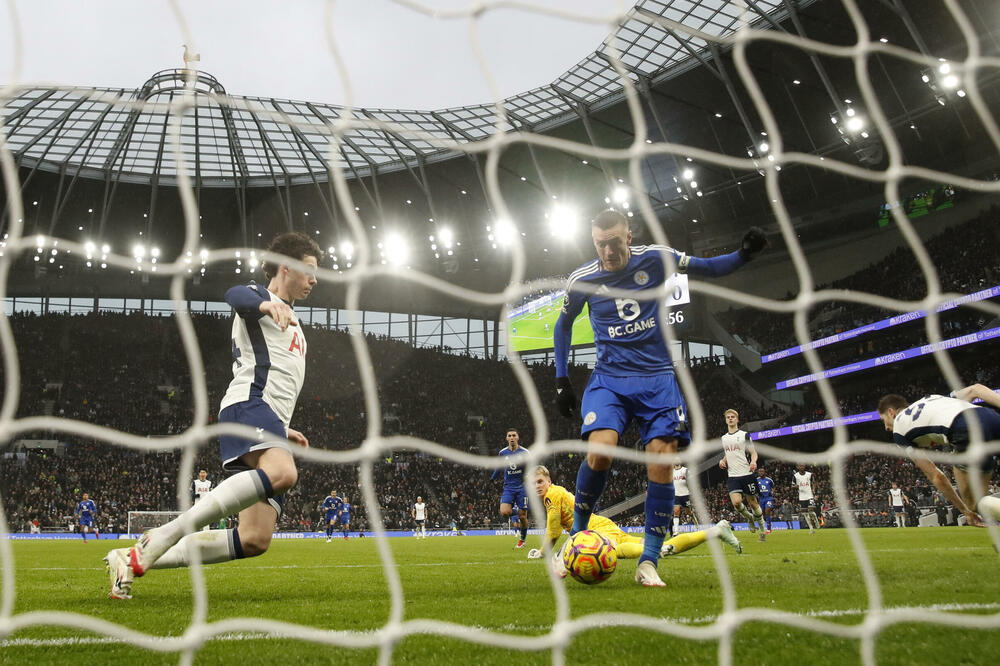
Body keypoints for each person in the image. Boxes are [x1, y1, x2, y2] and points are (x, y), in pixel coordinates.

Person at [553, 209, 767, 587]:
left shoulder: (656, 257)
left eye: (614, 242)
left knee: (661, 462)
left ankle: (648, 562)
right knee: (601, 449)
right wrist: (560, 380)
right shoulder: (582, 279)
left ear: (628, 238)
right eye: (600, 244)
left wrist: (744, 255)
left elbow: (707, 268)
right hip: (610, 380)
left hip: (657, 380)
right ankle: (576, 538)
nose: (607, 251)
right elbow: (563, 325)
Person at [105, 231, 321, 600]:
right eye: (310, 271)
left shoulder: (291, 318)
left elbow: (278, 375)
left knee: (254, 539)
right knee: (284, 473)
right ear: (287, 268)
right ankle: (165, 534)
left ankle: (130, 557)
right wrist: (266, 306)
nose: (315, 280)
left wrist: (282, 428)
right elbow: (234, 295)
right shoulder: (259, 298)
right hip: (248, 403)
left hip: (265, 414)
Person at [528, 466, 741, 577]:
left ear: (549, 481)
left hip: (597, 531)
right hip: (602, 526)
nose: (537, 486)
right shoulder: (556, 493)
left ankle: (653, 553)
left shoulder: (551, 495)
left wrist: (545, 552)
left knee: (618, 552)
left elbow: (554, 529)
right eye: (533, 483)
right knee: (663, 547)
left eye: (540, 481)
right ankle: (716, 531)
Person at [877, 384, 1000, 526]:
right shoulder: (936, 398)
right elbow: (976, 389)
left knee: (972, 503)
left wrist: (964, 511)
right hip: (991, 416)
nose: (885, 427)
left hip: (965, 430)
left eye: (883, 420)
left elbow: (937, 476)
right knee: (983, 499)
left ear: (891, 413)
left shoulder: (899, 431)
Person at [719, 409, 767, 540]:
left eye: (732, 417)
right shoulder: (724, 438)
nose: (730, 419)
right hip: (733, 475)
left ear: (737, 419)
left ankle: (762, 529)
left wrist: (753, 461)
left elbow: (753, 452)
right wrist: (722, 461)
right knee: (736, 503)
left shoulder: (744, 435)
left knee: (753, 503)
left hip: (746, 473)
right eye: (728, 417)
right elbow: (728, 454)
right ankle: (750, 518)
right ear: (725, 420)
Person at [490, 428, 530, 548]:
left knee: (522, 517)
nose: (512, 438)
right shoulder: (503, 453)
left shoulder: (525, 452)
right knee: (504, 511)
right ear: (507, 438)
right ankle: (519, 511)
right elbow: (499, 467)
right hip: (508, 487)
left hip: (522, 487)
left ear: (518, 437)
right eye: (509, 436)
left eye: (514, 435)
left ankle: (522, 540)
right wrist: (492, 478)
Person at [793, 464, 820, 533]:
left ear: (805, 467)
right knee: (805, 513)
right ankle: (811, 528)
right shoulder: (795, 476)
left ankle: (816, 521)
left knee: (811, 510)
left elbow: (814, 482)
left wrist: (813, 489)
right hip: (802, 497)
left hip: (809, 495)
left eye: (803, 466)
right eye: (800, 466)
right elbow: (792, 485)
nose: (801, 467)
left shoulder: (809, 474)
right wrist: (795, 486)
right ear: (798, 467)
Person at [671, 463, 694, 536]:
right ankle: (676, 531)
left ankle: (693, 520)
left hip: (685, 494)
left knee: (688, 512)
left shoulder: (685, 470)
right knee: (676, 512)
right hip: (676, 495)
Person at [756, 468, 776, 533]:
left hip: (769, 498)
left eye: (762, 471)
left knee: (767, 511)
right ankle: (768, 524)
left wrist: (772, 492)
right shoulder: (756, 480)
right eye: (759, 472)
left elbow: (773, 487)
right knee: (763, 514)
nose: (761, 473)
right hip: (761, 499)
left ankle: (768, 528)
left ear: (765, 472)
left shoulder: (769, 480)